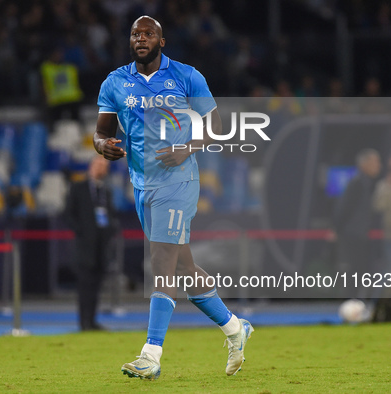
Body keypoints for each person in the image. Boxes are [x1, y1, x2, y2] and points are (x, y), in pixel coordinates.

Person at [93, 16, 253, 380]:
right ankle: (233, 329)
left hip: (179, 181)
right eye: (136, 34)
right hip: (142, 184)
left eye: (148, 33)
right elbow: (101, 132)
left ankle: (151, 354)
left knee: (161, 263)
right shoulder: (115, 82)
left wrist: (187, 148)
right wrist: (104, 146)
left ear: (161, 41)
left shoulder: (186, 76)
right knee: (182, 268)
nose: (141, 38)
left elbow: (216, 128)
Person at [65, 156, 116, 331]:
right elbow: (68, 214)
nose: (102, 169)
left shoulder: (106, 191)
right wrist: (82, 231)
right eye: (100, 165)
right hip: (85, 247)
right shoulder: (78, 188)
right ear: (91, 166)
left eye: (105, 166)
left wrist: (110, 230)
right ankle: (84, 322)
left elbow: (110, 215)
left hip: (102, 246)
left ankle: (92, 321)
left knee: (96, 285)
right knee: (85, 286)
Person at [333, 149, 382, 278]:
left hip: (360, 235)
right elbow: (344, 208)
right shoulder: (357, 183)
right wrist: (336, 230)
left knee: (360, 272)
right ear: (364, 164)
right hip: (352, 236)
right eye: (375, 162)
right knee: (351, 273)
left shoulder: (368, 184)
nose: (378, 165)